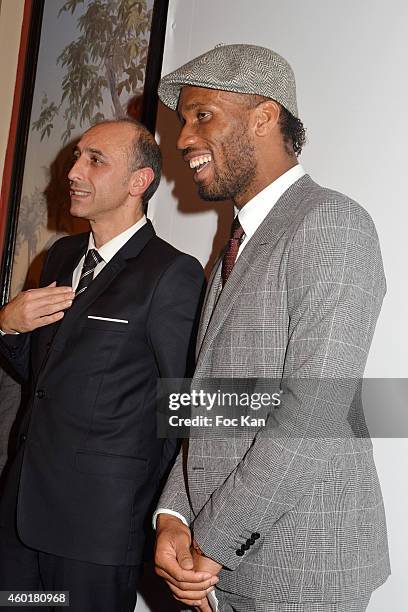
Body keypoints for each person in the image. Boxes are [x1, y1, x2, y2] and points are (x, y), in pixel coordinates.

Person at [153, 44, 390, 612]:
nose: (183, 138)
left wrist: (213, 540)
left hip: (303, 572)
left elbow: (312, 411)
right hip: (222, 570)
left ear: (264, 117)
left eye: (201, 115)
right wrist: (173, 516)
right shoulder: (235, 245)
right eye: (183, 120)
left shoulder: (331, 221)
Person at [0, 118, 204, 612]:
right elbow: (46, 380)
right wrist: (7, 325)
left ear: (139, 183)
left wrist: (163, 513)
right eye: (77, 157)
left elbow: (183, 408)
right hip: (21, 512)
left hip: (97, 530)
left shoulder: (171, 272)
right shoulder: (61, 254)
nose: (74, 171)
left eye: (95, 160)